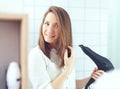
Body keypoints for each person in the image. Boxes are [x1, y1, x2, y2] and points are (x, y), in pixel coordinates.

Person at [28, 6, 104, 89]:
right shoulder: (36, 55)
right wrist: (67, 70)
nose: (49, 29)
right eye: (47, 23)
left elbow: (69, 84)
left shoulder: (66, 54)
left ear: (64, 29)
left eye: (56, 25)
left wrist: (90, 78)